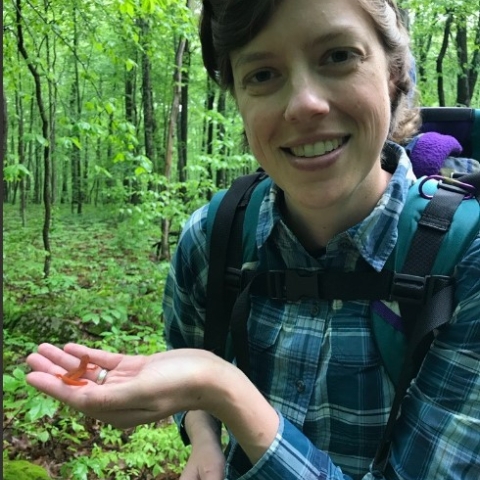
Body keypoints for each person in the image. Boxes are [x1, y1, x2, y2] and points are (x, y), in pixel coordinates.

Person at [26, 0, 480, 479]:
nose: (304, 104)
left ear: (393, 72)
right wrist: (204, 437)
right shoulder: (213, 236)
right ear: (238, 100)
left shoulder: (464, 259)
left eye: (338, 56)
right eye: (262, 75)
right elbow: (190, 344)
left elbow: (207, 375)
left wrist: (224, 391)